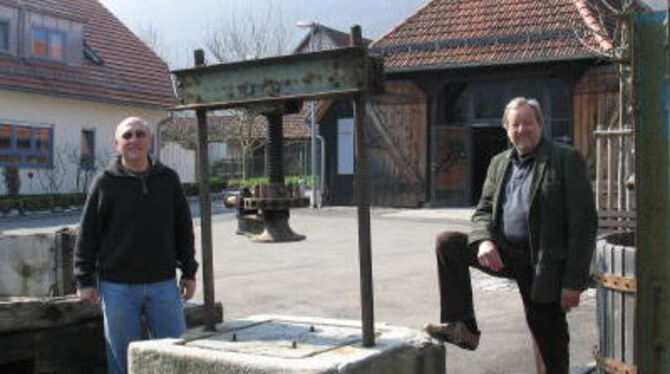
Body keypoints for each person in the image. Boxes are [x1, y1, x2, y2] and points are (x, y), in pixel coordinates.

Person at [424, 97, 597, 373]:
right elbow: (483, 210)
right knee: (448, 243)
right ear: (506, 128)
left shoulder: (565, 159)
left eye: (528, 123)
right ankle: (463, 327)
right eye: (515, 124)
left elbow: (584, 225)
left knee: (548, 337)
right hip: (503, 253)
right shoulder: (498, 163)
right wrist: (483, 241)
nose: (522, 129)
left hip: (543, 264)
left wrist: (573, 283)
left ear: (540, 124)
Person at [74, 117, 198, 374]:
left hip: (163, 284)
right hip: (117, 287)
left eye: (140, 134)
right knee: (122, 359)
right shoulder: (105, 182)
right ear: (116, 142)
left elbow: (183, 229)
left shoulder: (168, 179)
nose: (134, 140)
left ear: (150, 140)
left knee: (176, 355)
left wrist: (189, 271)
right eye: (127, 135)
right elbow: (88, 233)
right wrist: (84, 280)